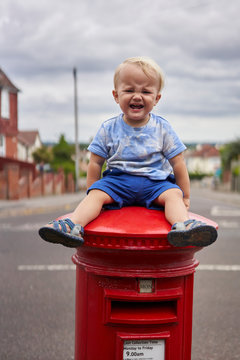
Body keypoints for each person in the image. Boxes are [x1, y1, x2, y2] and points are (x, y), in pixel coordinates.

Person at [39, 56, 217, 248]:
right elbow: (95, 162)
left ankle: (183, 226)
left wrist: (186, 196)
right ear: (116, 96)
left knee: (173, 195)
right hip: (117, 182)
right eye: (129, 90)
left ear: (156, 98)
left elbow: (178, 163)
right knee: (97, 195)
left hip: (155, 184)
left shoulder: (162, 128)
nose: (137, 96)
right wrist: (92, 190)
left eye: (146, 91)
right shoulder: (108, 128)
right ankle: (72, 225)